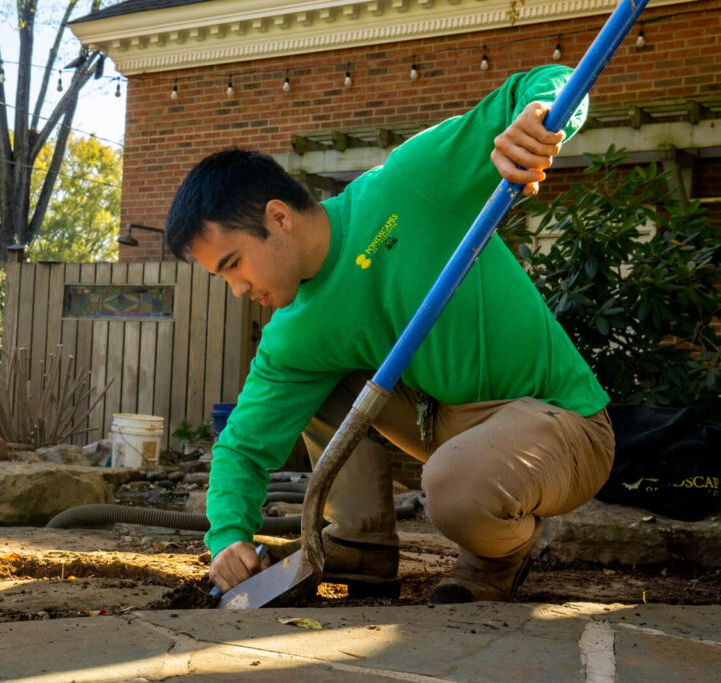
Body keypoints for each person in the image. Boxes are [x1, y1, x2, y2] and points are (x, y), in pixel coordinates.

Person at [164, 65, 615, 604]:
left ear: (278, 218)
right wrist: (228, 538)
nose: (237, 289)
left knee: (452, 485)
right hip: (448, 426)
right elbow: (243, 445)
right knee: (321, 381)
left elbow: (548, 79)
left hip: (561, 421)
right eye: (224, 276)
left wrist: (540, 116)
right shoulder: (294, 333)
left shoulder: (409, 184)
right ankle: (360, 544)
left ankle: (499, 554)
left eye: (234, 264)